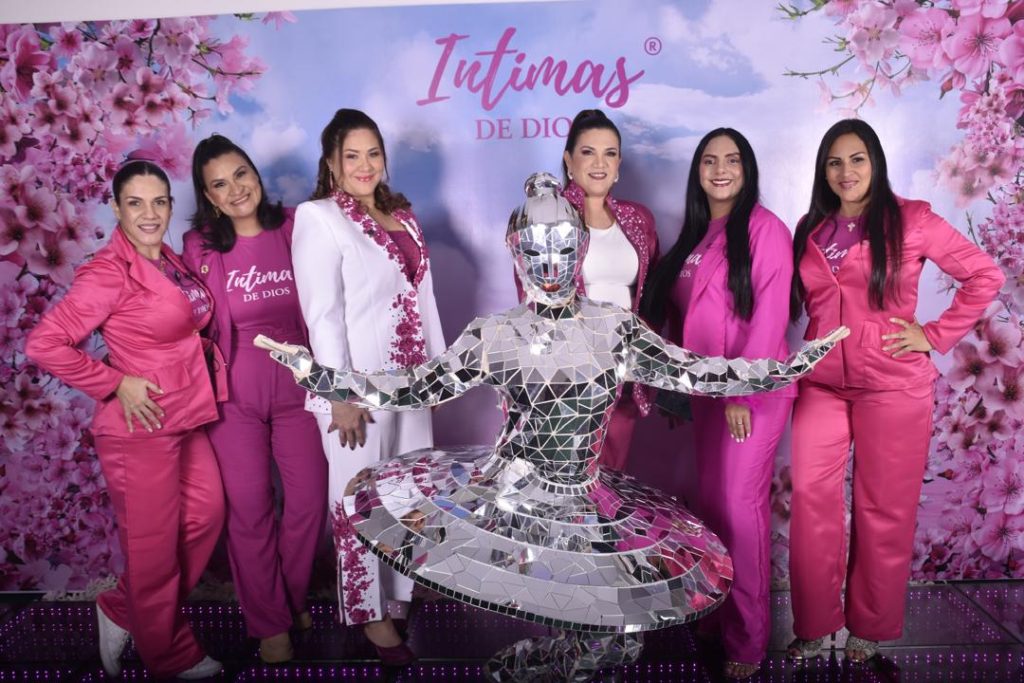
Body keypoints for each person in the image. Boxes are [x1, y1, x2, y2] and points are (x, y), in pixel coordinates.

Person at [258, 172, 849, 681]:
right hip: (512, 495)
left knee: (618, 637)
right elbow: (415, 386)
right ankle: (526, 664)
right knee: (583, 623)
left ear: (580, 248)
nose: (550, 265)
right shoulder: (496, 334)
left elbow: (694, 371)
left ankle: (529, 665)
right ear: (516, 252)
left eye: (563, 248)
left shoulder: (612, 328)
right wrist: (322, 376)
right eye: (535, 251)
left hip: (585, 499)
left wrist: (784, 368)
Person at [786, 119, 1004, 663]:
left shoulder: (912, 219)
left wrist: (933, 335)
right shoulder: (812, 227)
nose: (846, 172)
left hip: (892, 385)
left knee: (882, 506)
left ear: (876, 162)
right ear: (823, 171)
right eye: (835, 162)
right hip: (822, 383)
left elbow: (985, 275)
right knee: (811, 498)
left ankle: (869, 626)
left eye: (857, 159)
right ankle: (815, 624)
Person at [26, 160, 225, 680]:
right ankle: (169, 655)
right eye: (135, 203)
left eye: (159, 202)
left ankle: (122, 607)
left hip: (185, 414)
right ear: (116, 208)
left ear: (170, 206)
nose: (149, 213)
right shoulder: (107, 272)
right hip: (139, 427)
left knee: (207, 516)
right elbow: (44, 343)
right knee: (153, 550)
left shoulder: (169, 260)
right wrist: (115, 382)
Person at [291, 108, 445, 666]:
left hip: (409, 383)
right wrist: (339, 395)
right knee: (358, 501)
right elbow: (323, 314)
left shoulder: (403, 215)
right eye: (351, 155)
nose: (364, 165)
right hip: (355, 392)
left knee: (406, 496)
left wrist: (437, 376)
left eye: (373, 153)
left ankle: (398, 596)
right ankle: (367, 612)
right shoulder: (319, 218)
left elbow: (424, 299)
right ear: (331, 163)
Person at [640, 128, 794, 680]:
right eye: (710, 160)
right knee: (713, 510)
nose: (720, 169)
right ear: (698, 172)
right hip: (708, 394)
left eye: (732, 160)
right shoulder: (698, 234)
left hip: (750, 394)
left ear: (747, 169)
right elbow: (687, 321)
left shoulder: (765, 229)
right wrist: (672, 389)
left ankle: (747, 643)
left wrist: (741, 391)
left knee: (741, 512)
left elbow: (770, 317)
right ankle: (715, 615)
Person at [181, 135, 327, 664]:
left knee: (309, 502)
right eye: (219, 184)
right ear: (208, 196)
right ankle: (270, 624)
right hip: (234, 394)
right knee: (249, 509)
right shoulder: (199, 246)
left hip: (299, 385)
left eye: (240, 174)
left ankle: (287, 599)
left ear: (255, 173)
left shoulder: (295, 225)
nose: (235, 189)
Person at [550, 109, 659, 471]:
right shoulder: (549, 219)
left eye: (609, 153)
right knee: (569, 480)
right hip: (568, 379)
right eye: (588, 152)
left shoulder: (637, 219)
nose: (600, 163)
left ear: (618, 164)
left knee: (611, 479)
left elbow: (650, 295)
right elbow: (534, 302)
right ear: (569, 160)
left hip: (623, 376)